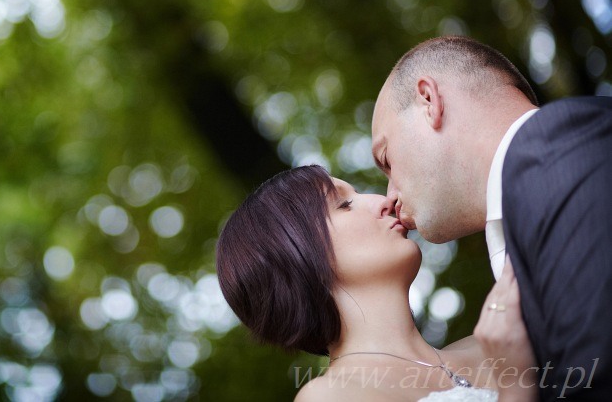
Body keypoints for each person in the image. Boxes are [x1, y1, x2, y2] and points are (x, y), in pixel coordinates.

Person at [371, 35, 612, 400]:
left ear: (428, 100)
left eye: (386, 159)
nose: (389, 196)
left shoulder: (563, 147)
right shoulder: (537, 193)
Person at [216, 165, 536, 401]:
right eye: (343, 204)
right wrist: (519, 386)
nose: (382, 201)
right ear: (296, 255)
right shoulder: (330, 396)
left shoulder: (499, 339)